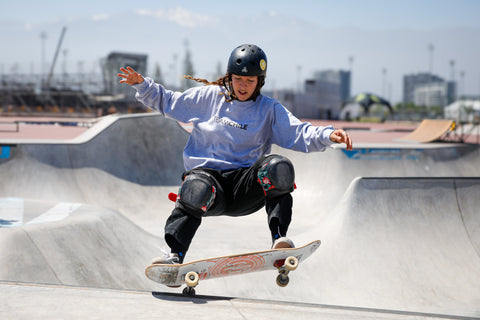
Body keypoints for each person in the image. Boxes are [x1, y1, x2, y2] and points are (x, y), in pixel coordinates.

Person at [118, 44, 353, 265]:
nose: (242, 85)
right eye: (238, 79)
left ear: (259, 82)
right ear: (229, 77)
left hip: (246, 189)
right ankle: (175, 254)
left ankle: (280, 239)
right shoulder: (210, 97)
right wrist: (143, 85)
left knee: (278, 167)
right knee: (196, 185)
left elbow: (297, 132)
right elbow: (170, 102)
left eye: (249, 81)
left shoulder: (268, 109)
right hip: (209, 187)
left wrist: (328, 136)